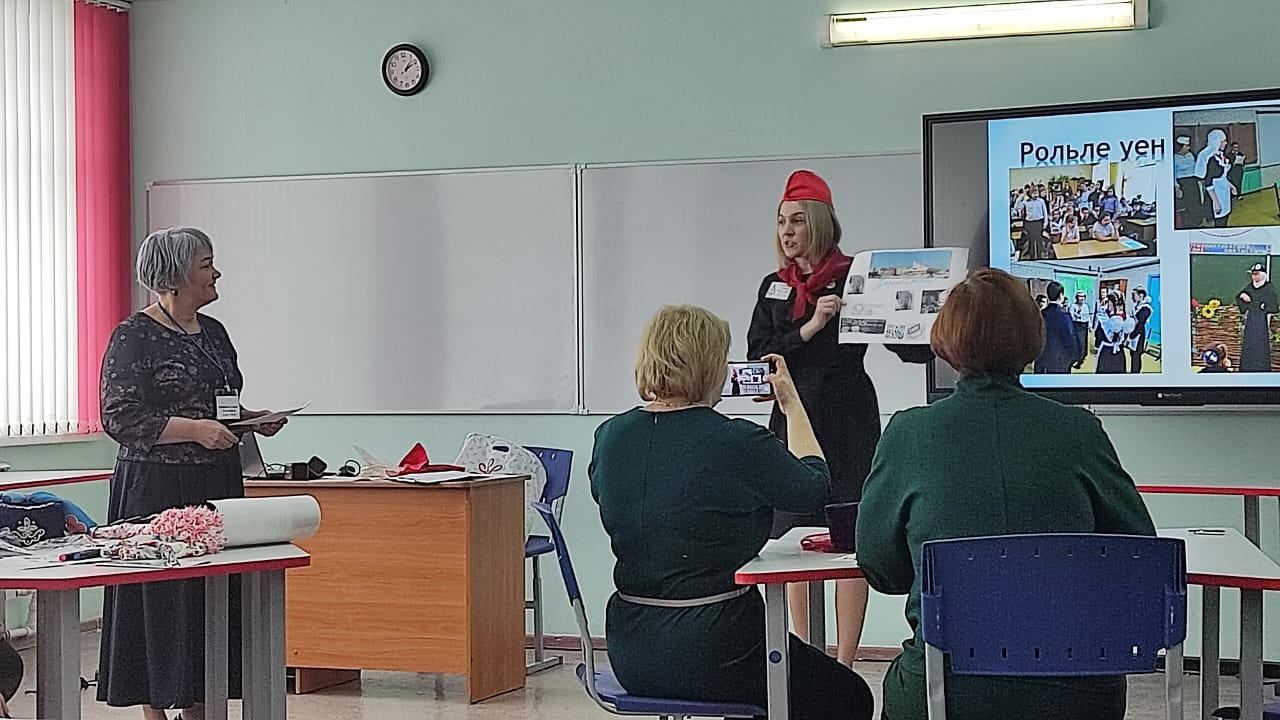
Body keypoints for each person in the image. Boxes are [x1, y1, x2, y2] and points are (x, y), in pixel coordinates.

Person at [856, 268, 1156, 720]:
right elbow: (1137, 554)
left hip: (943, 692)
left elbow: (883, 571)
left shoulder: (908, 433)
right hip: (1076, 694)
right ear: (1032, 337)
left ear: (945, 339)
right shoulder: (1080, 430)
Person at [591, 304, 875, 720]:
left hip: (630, 651)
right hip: (719, 648)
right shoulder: (737, 441)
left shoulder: (610, 436)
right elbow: (813, 489)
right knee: (851, 696)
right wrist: (791, 404)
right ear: (710, 367)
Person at [98, 228, 288, 720]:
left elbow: (217, 404)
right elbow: (120, 417)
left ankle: (202, 708)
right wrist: (194, 431)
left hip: (215, 484)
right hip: (156, 487)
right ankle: (155, 711)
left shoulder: (214, 332)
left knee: (211, 600)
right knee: (159, 601)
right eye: (206, 264)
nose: (216, 273)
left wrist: (251, 419)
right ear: (174, 278)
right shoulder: (133, 336)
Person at [748, 169, 932, 667]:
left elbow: (904, 343)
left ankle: (845, 663)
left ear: (820, 223)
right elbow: (759, 356)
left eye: (797, 221)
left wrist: (928, 321)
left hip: (848, 421)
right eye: (782, 221)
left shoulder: (856, 276)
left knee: (850, 541)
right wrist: (810, 327)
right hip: (792, 422)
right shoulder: (773, 287)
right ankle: (810, 659)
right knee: (795, 540)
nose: (787, 231)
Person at [1237, 263, 1278, 372]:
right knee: (1248, 344)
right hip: (1251, 320)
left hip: (1261, 322)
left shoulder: (1268, 288)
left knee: (1260, 345)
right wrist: (1242, 296)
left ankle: (1261, 368)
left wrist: (1255, 303)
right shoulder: (1250, 287)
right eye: (1253, 274)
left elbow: (1273, 306)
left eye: (1256, 274)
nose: (1254, 277)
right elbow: (1240, 297)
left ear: (1262, 274)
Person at [1034, 281, 1077, 374]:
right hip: (1059, 361)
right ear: (1061, 295)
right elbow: (1070, 337)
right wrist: (1075, 356)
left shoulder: (1041, 314)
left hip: (1041, 358)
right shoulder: (1064, 315)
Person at [1197, 129, 1237, 228]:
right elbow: (1208, 183)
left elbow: (1223, 177)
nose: (1226, 143)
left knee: (1225, 220)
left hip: (1224, 193)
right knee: (1220, 224)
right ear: (1216, 142)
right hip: (1216, 195)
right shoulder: (1212, 160)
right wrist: (1216, 202)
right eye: (1223, 141)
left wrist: (1232, 186)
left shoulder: (1220, 156)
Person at [1012, 186, 1050, 259]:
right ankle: (1032, 256)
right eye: (1034, 193)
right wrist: (1022, 196)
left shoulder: (1041, 201)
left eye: (1037, 193)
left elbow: (1045, 212)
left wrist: (1045, 222)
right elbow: (1017, 208)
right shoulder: (1026, 201)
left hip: (1039, 221)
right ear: (1030, 193)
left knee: (1039, 240)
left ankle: (1039, 256)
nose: (1036, 195)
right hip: (1030, 223)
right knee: (1031, 241)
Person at [1173, 135, 1201, 228]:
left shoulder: (1190, 155)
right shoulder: (1175, 158)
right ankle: (1189, 225)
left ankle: (1197, 224)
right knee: (1188, 205)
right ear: (1180, 147)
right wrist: (1177, 188)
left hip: (1193, 181)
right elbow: (1173, 174)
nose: (1189, 148)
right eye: (1186, 146)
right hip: (1183, 183)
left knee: (1196, 203)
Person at [1128, 287, 1153, 373]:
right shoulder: (1137, 306)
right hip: (1133, 332)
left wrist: (1132, 335)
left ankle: (1136, 373)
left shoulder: (1145, 308)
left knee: (1136, 355)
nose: (1133, 297)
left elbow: (1140, 323)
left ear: (1141, 295)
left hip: (1139, 333)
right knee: (1132, 354)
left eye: (1134, 295)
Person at [1069, 290, 1092, 369]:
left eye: (1083, 297)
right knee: (1078, 343)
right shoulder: (1073, 306)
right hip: (1077, 326)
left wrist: (1090, 326)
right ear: (1077, 298)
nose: (1082, 298)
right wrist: (1077, 314)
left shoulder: (1086, 306)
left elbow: (1088, 317)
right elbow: (1071, 318)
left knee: (1084, 343)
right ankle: (1077, 359)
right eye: (1080, 297)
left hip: (1084, 326)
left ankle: (1082, 358)